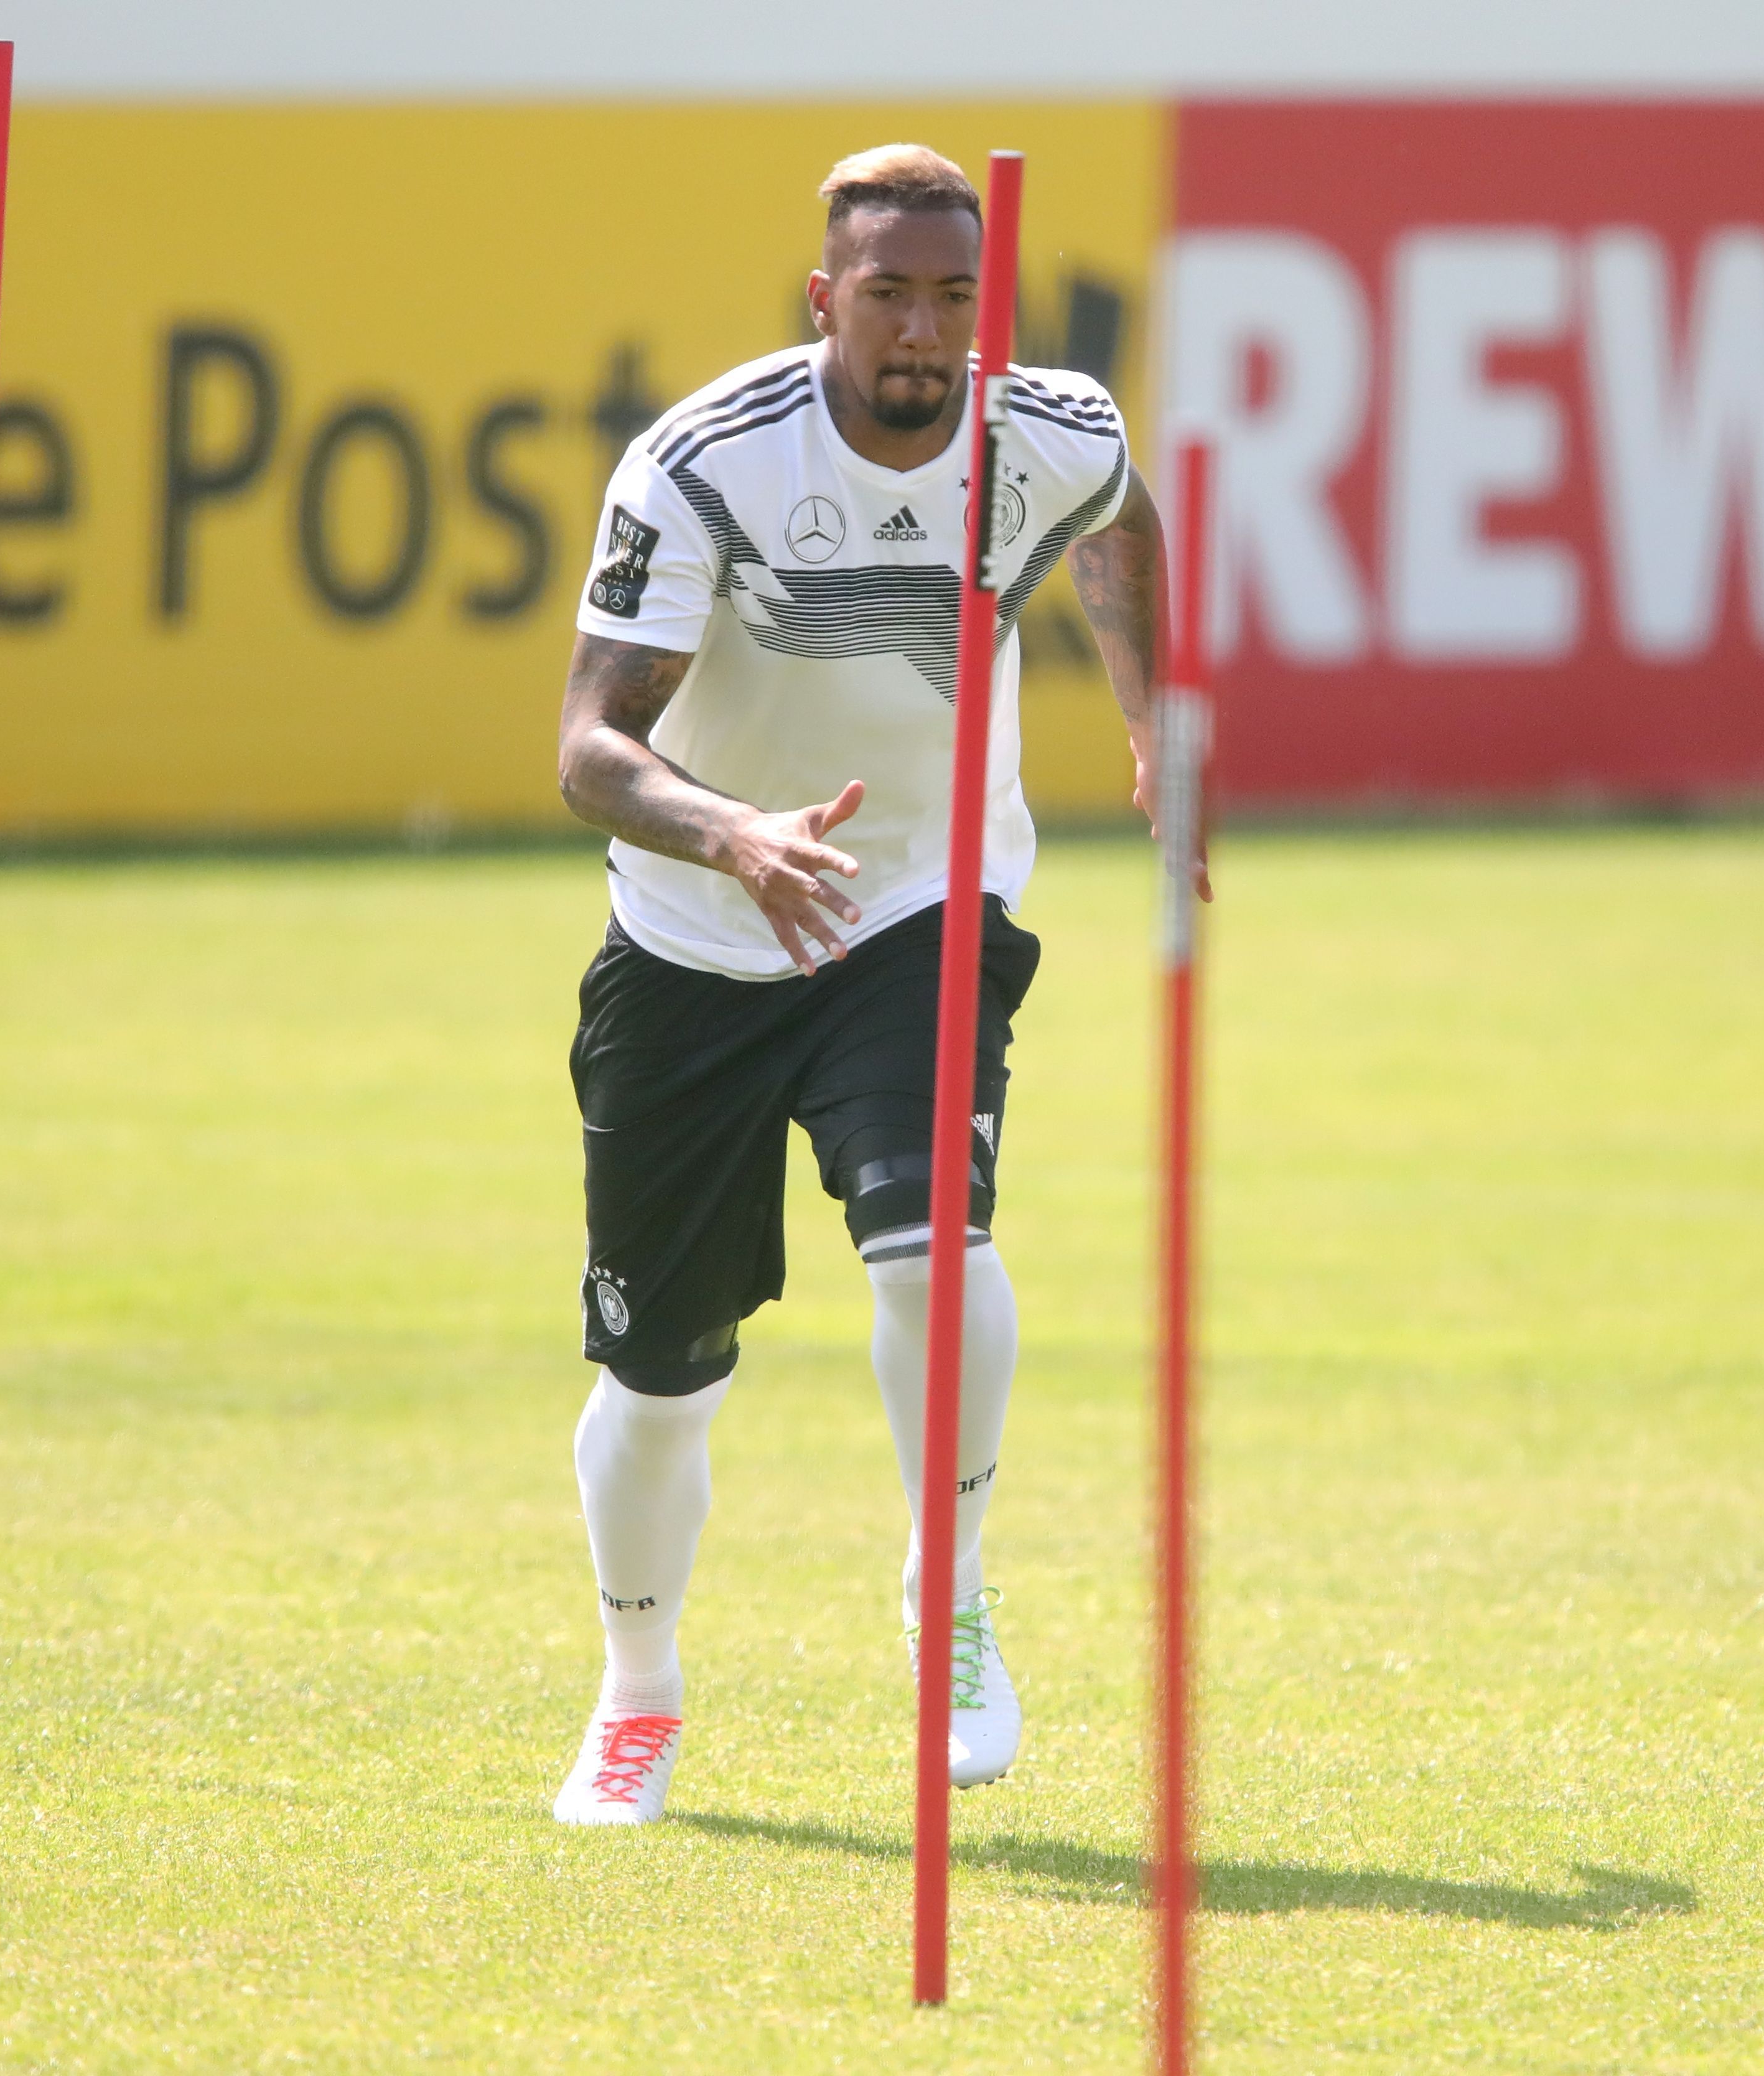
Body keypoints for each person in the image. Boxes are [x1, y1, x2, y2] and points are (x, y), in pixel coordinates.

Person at [546, 142, 1195, 1825]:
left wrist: (1146, 716)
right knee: (658, 1376)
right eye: (889, 293)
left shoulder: (1045, 435)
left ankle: (948, 1593)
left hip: (919, 896)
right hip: (696, 933)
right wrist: (732, 837)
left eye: (953, 298)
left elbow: (1121, 525)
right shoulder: (702, 468)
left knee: (932, 1237)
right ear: (824, 300)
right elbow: (587, 751)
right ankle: (637, 1694)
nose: (921, 330)